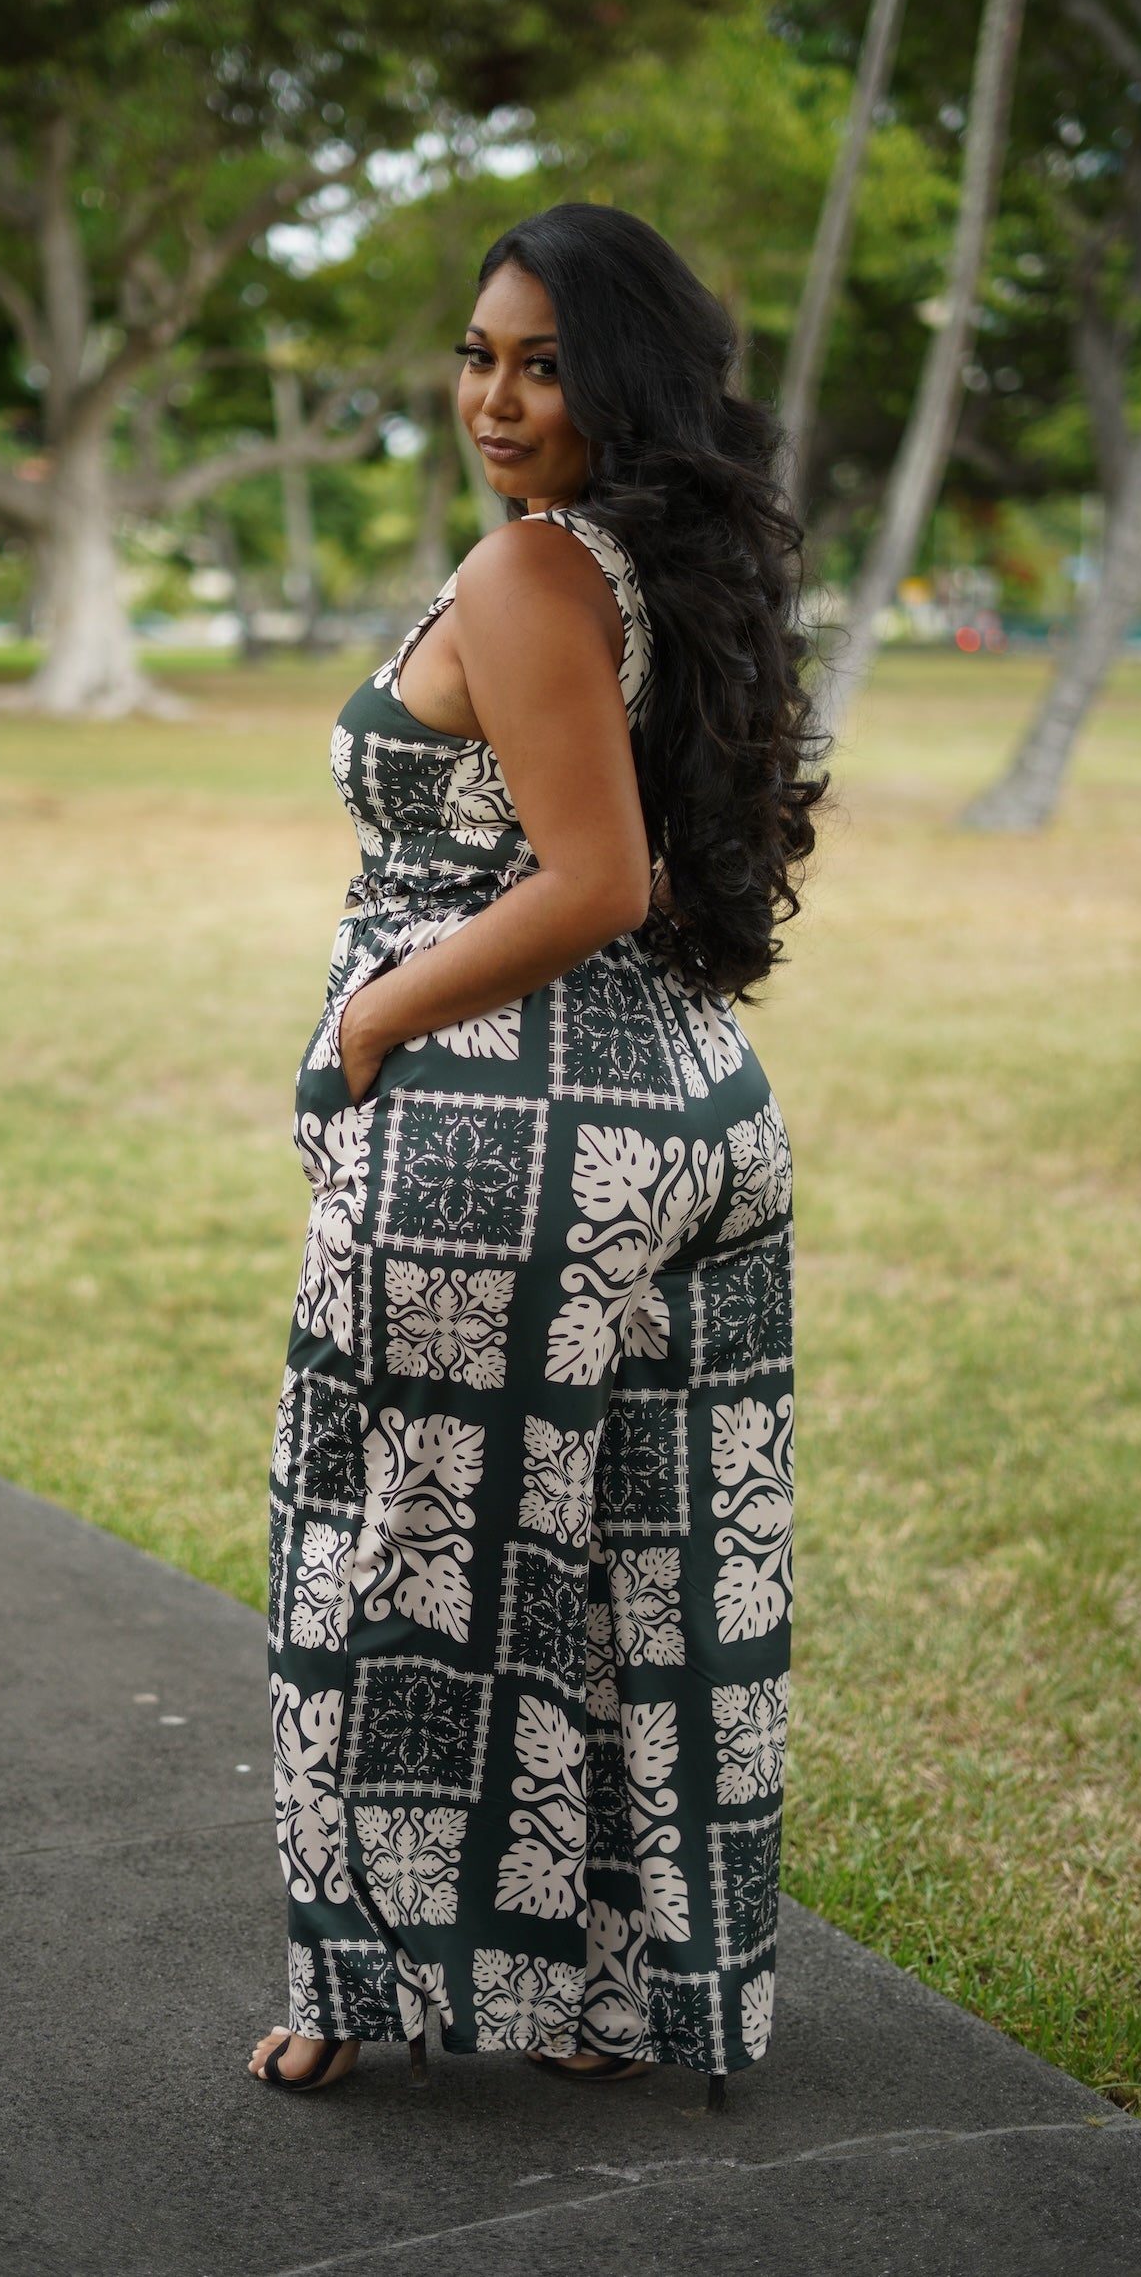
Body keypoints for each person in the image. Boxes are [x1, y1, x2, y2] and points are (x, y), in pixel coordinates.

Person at [249, 202, 824, 2104]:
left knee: (398, 1560)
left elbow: (593, 882)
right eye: (481, 356)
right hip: (694, 1116)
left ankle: (357, 1977)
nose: (496, 399)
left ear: (622, 384)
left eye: (547, 365)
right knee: (634, 1582)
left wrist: (371, 1024)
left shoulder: (526, 574)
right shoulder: (660, 570)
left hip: (512, 1147)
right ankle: (609, 1996)